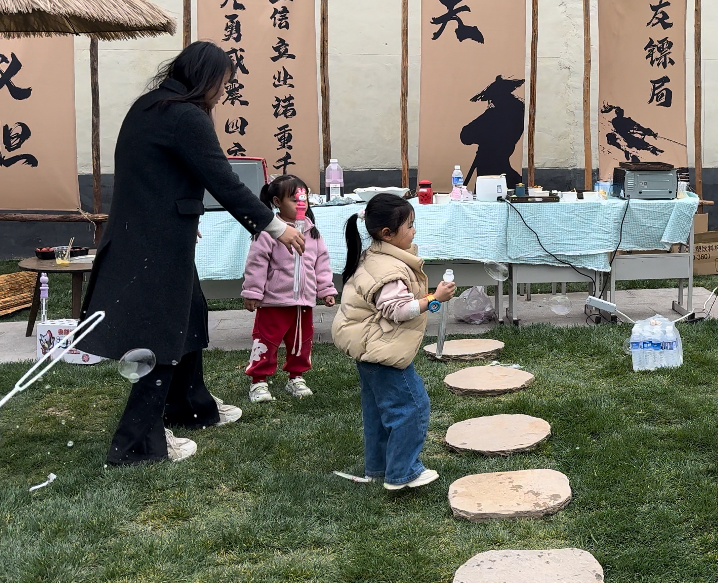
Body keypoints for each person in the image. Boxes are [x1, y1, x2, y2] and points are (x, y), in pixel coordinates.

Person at [79, 41, 306, 465]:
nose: (223, 93)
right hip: (155, 240)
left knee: (189, 314)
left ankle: (190, 407)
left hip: (147, 231)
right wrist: (276, 227)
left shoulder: (150, 105)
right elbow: (222, 179)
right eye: (223, 83)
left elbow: (150, 175)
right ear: (206, 77)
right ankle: (138, 444)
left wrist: (179, 214)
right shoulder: (185, 116)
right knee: (162, 332)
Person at [332, 194, 456, 491]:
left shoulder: (378, 257)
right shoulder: (388, 270)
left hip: (370, 349)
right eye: (409, 225)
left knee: (378, 412)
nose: (414, 230)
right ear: (387, 233)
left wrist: (431, 299)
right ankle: (403, 472)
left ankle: (378, 468)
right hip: (382, 351)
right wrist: (434, 299)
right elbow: (397, 310)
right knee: (411, 407)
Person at [241, 175, 338, 403]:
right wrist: (253, 292)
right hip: (274, 302)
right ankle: (259, 381)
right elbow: (256, 264)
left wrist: (326, 289)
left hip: (303, 303)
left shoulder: (312, 233)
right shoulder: (268, 232)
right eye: (294, 200)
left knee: (301, 343)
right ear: (277, 202)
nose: (300, 204)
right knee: (266, 341)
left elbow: (321, 264)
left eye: (304, 199)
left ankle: (296, 377)